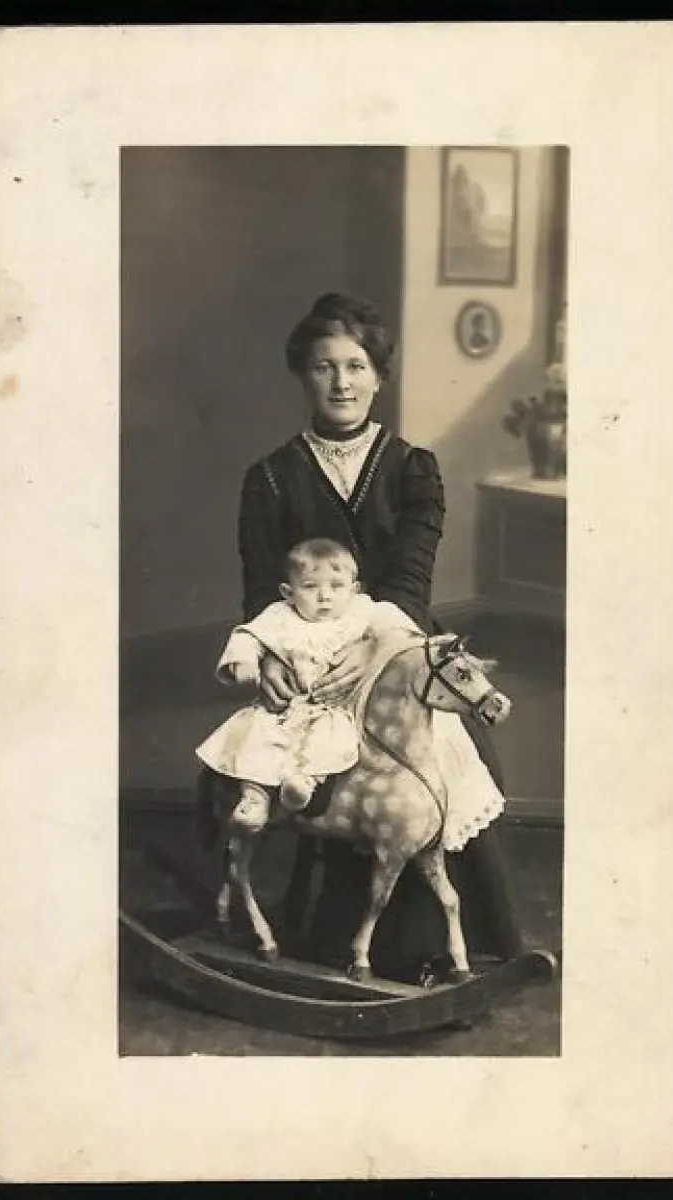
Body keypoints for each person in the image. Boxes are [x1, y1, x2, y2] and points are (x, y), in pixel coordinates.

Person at [197, 291, 526, 982]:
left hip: (395, 642)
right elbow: (261, 587)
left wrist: (375, 648)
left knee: (448, 762)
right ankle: (331, 937)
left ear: (378, 376)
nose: (341, 382)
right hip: (307, 652)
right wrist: (269, 657)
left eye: (355, 366)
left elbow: (410, 577)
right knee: (295, 768)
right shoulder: (270, 478)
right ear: (302, 375)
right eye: (324, 367)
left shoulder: (413, 468)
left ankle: (435, 945)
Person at [195, 537, 421, 826]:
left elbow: (403, 630)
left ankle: (304, 783)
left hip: (335, 708)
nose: (324, 596)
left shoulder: (363, 611)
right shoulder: (280, 615)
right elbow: (248, 635)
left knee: (333, 740)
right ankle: (254, 798)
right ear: (288, 593)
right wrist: (245, 662)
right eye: (310, 586)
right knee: (258, 736)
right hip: (286, 706)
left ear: (354, 589)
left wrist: (379, 643)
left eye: (336, 586)